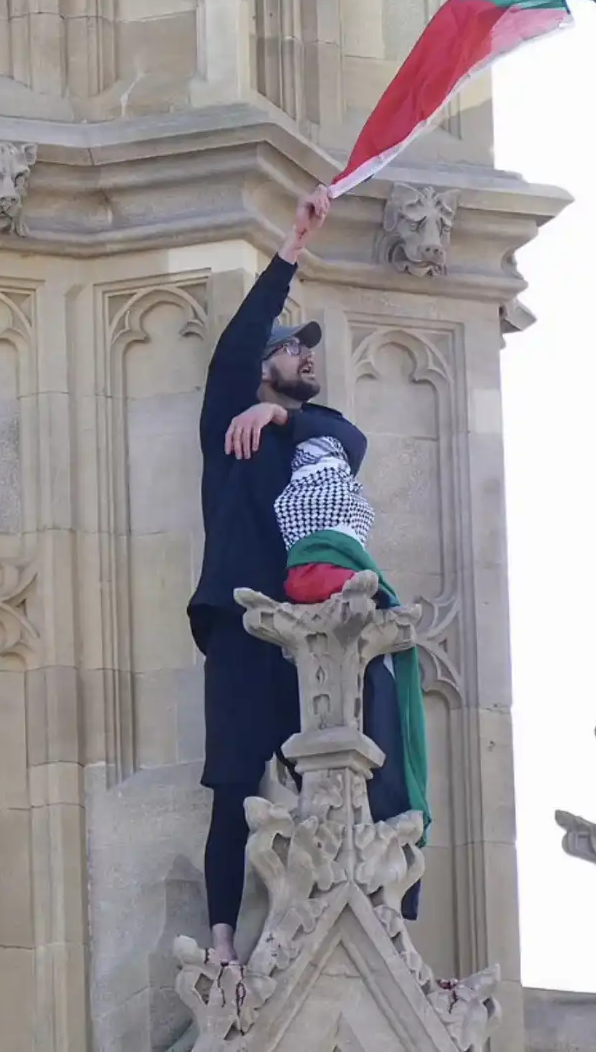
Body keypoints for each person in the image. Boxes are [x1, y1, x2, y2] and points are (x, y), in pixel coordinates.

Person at [188, 187, 428, 969]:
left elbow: (349, 440)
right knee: (234, 779)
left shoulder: (310, 435)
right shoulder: (229, 422)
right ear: (264, 368)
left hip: (315, 625)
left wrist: (287, 419)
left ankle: (371, 921)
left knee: (349, 758)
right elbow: (235, 350)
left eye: (308, 350)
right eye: (293, 349)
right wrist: (291, 246)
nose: (307, 357)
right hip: (241, 620)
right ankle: (223, 938)